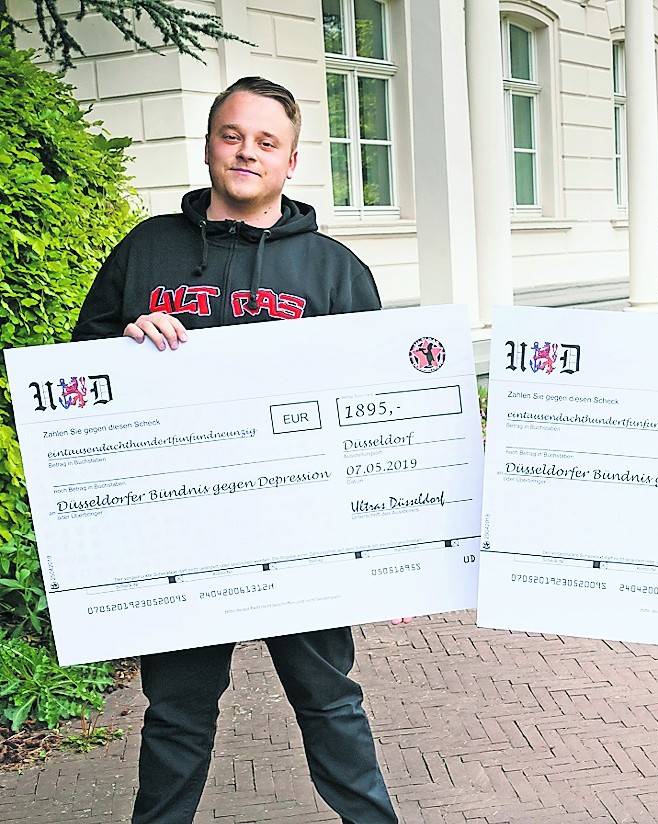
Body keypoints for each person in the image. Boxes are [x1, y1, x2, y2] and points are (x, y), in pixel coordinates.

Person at [71, 76, 400, 824]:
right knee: (176, 718)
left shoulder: (335, 271)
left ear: (291, 160)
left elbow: (377, 414)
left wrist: (385, 549)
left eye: (266, 141)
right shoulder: (147, 248)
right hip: (178, 534)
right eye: (232, 135)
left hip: (302, 537)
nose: (246, 152)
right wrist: (125, 345)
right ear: (210, 142)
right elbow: (77, 378)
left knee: (330, 707)